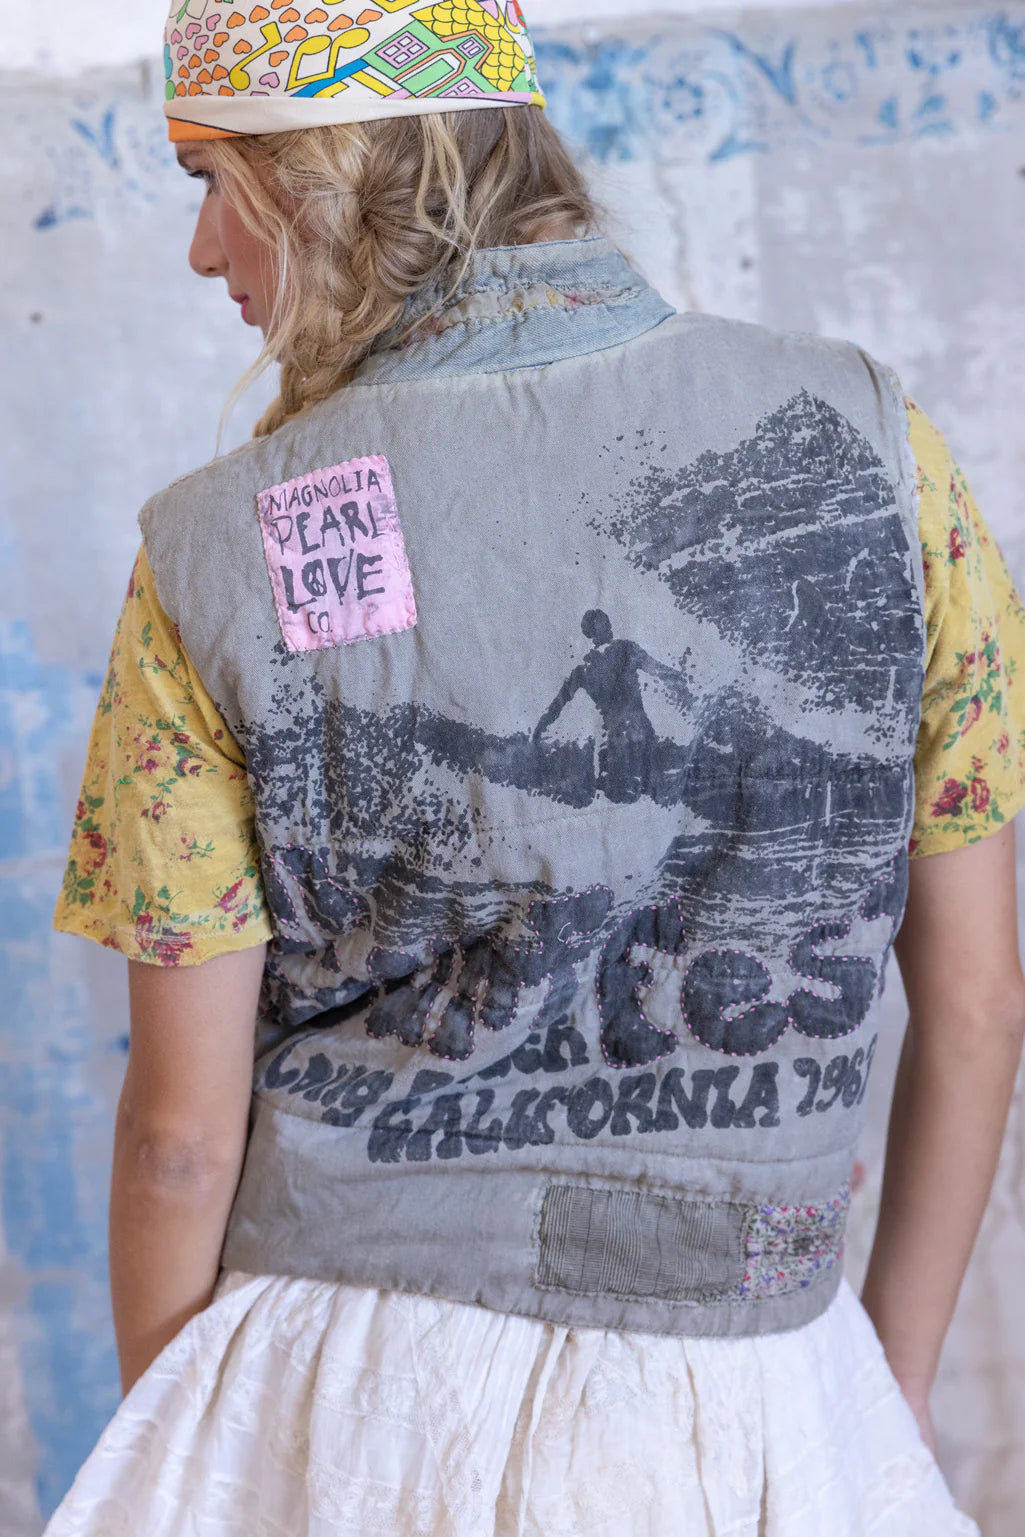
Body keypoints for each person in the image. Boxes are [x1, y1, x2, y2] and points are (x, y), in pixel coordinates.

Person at [45, 2, 1025, 1532]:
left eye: (208, 181)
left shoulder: (216, 548)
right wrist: (882, 1382)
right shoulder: (877, 447)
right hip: (761, 1373)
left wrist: (179, 1450)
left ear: (320, 173)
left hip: (340, 1399)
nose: (199, 252)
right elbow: (976, 1001)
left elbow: (177, 1136)